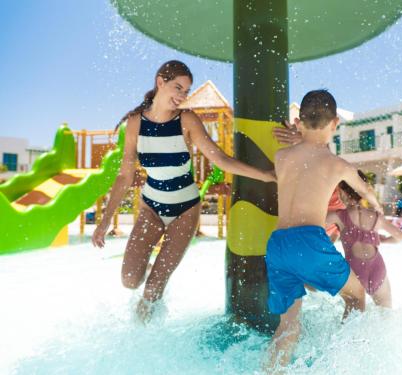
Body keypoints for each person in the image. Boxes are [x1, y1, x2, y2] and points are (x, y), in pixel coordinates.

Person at [91, 60, 275, 322]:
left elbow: (220, 159)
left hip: (185, 210)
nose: (181, 96)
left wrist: (267, 176)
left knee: (153, 289)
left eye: (186, 91)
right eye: (177, 88)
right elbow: (124, 175)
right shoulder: (135, 123)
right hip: (151, 207)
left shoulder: (186, 120)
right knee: (130, 280)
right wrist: (105, 220)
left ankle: (141, 338)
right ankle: (151, 282)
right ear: (160, 82)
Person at [265, 90, 383, 372]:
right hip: (309, 240)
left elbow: (303, 163)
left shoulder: (282, 157)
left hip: (277, 245)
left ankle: (270, 370)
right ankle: (341, 366)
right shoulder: (337, 164)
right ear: (336, 123)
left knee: (288, 328)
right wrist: (378, 206)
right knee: (355, 297)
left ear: (298, 122)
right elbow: (364, 190)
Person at [326, 171, 402, 308]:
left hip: (354, 271)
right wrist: (384, 240)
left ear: (343, 192)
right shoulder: (376, 217)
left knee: (352, 319)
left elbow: (312, 225)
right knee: (386, 314)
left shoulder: (339, 216)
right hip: (377, 268)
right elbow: (400, 237)